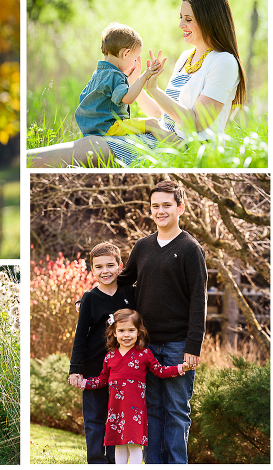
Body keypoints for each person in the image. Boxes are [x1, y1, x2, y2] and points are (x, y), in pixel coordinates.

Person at [28, 0, 246, 167]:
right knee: (91, 144)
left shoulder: (223, 62)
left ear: (209, 20)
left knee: (90, 149)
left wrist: (154, 89)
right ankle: (25, 163)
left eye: (188, 19)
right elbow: (162, 116)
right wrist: (135, 84)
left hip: (185, 148)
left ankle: (26, 164)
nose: (181, 25)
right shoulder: (185, 58)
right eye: (181, 17)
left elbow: (195, 124)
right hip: (160, 136)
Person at [116, 180, 207, 464]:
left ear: (180, 208)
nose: (160, 211)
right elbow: (121, 282)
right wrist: (91, 296)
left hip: (180, 345)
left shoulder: (191, 249)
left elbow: (199, 300)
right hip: (147, 346)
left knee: (177, 412)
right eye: (155, 206)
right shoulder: (142, 247)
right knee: (152, 410)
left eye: (167, 205)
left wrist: (193, 346)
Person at [71, 309, 190, 465]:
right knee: (119, 446)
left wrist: (180, 368)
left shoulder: (144, 354)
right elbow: (102, 379)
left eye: (131, 330)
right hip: (116, 412)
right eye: (121, 331)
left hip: (135, 412)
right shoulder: (110, 357)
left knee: (134, 446)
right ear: (113, 332)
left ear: (139, 332)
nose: (126, 335)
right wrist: (85, 383)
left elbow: (160, 371)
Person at [68, 242, 136, 464]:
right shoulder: (89, 298)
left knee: (116, 418)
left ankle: (114, 461)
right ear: (92, 270)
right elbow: (80, 336)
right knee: (95, 417)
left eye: (110, 265)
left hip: (122, 369)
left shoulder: (130, 294)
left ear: (120, 266)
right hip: (94, 366)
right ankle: (97, 461)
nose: (105, 271)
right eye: (98, 267)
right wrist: (76, 369)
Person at [75, 23, 173, 141]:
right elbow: (128, 98)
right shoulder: (115, 75)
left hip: (92, 128)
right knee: (152, 123)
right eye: (135, 58)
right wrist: (144, 76)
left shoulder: (99, 73)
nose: (136, 63)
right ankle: (183, 148)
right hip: (108, 128)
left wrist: (132, 80)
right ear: (125, 54)